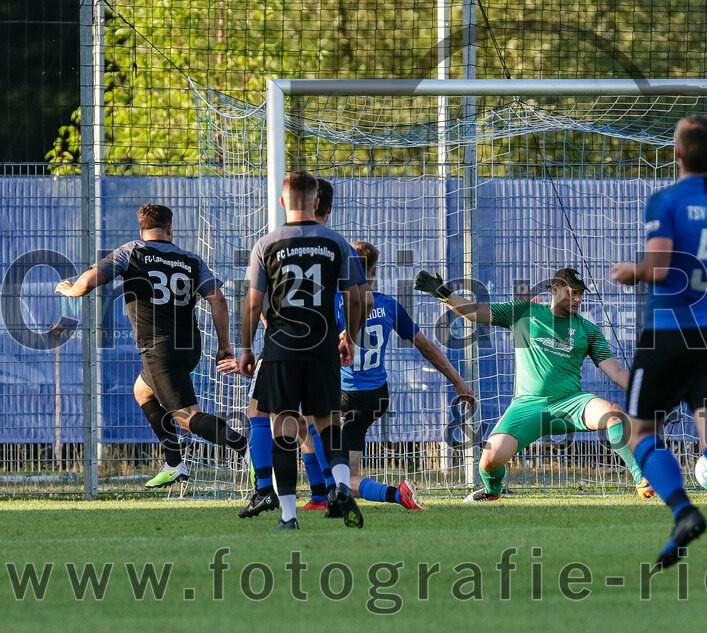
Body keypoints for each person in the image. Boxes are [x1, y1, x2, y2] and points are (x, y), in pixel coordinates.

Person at [610, 115, 707, 574]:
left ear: (676, 153)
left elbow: (659, 267)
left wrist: (630, 271)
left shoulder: (668, 200)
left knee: (640, 432)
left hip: (668, 333)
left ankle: (683, 512)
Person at [415, 267, 655, 502]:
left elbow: (615, 370)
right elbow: (476, 311)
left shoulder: (588, 330)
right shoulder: (524, 312)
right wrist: (443, 293)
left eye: (581, 294)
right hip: (527, 406)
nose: (578, 298)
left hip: (569, 403)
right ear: (555, 290)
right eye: (572, 292)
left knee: (614, 414)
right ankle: (492, 490)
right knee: (489, 461)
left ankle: (643, 480)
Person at [56, 203, 247, 488]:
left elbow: (89, 281)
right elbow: (218, 299)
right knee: (142, 391)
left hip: (159, 350)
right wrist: (224, 345)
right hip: (189, 348)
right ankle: (174, 463)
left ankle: (245, 448)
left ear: (142, 230)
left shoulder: (132, 251)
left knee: (186, 417)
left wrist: (72, 289)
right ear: (170, 229)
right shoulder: (190, 259)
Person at [238, 169, 371, 530]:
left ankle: (289, 516)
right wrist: (350, 337)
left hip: (281, 348)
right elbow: (358, 296)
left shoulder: (266, 244)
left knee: (282, 427)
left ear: (282, 202)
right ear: (316, 202)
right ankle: (341, 486)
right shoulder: (335, 243)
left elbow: (253, 304)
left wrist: (245, 349)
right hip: (322, 346)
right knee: (328, 422)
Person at [332, 240, 475, 509]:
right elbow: (427, 347)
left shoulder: (335, 303)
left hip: (342, 396)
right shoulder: (388, 306)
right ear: (374, 272)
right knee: (343, 471)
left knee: (332, 470)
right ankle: (332, 498)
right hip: (374, 396)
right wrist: (458, 382)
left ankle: (396, 494)